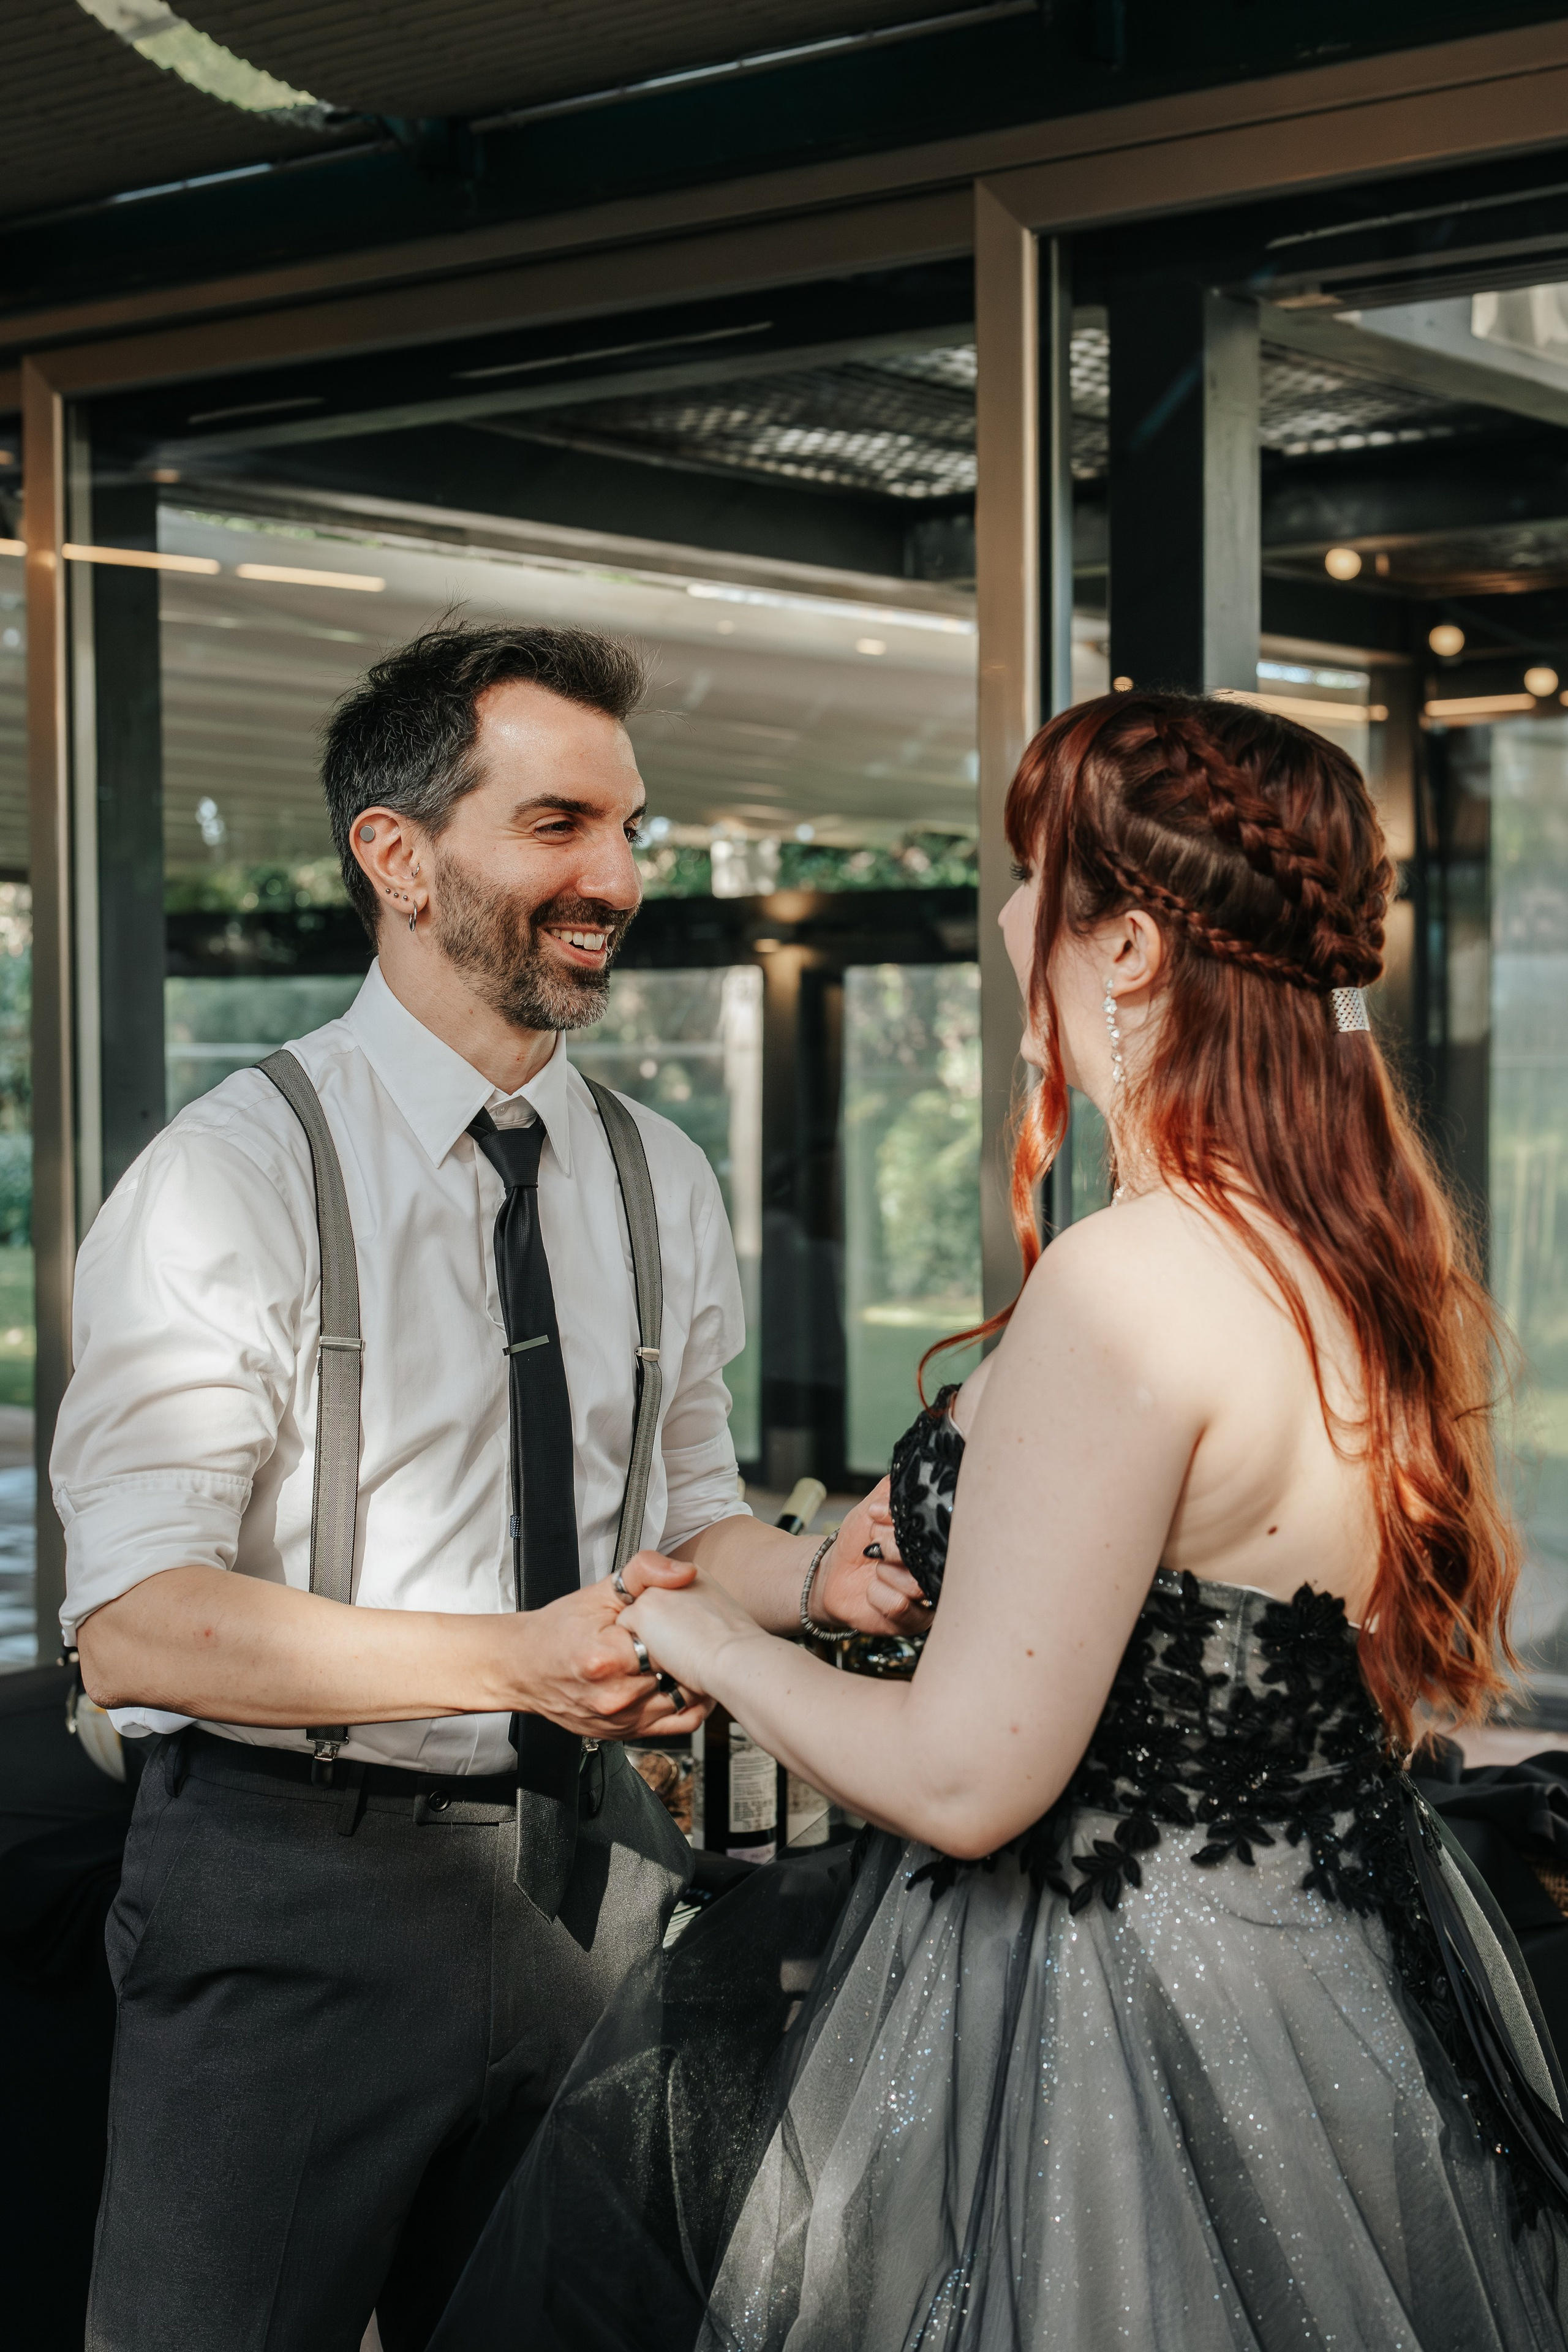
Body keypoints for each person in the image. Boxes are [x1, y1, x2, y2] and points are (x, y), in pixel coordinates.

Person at [434, 690, 1568, 2351]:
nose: (1012, 918)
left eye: (1038, 877)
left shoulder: (1131, 1281)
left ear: (1131, 950)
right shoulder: (1344, 1255)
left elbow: (967, 1782)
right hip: (1322, 1981)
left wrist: (691, 1631)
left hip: (1122, 2018)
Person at [57, 621, 927, 2352]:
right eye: (558, 826)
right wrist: (516, 1661)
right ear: (397, 855)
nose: (618, 879)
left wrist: (817, 1572)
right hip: (287, 1892)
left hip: (595, 1893)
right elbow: (135, 1624)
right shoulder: (230, 1175)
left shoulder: (659, 1175)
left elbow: (687, 1522)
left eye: (629, 829)